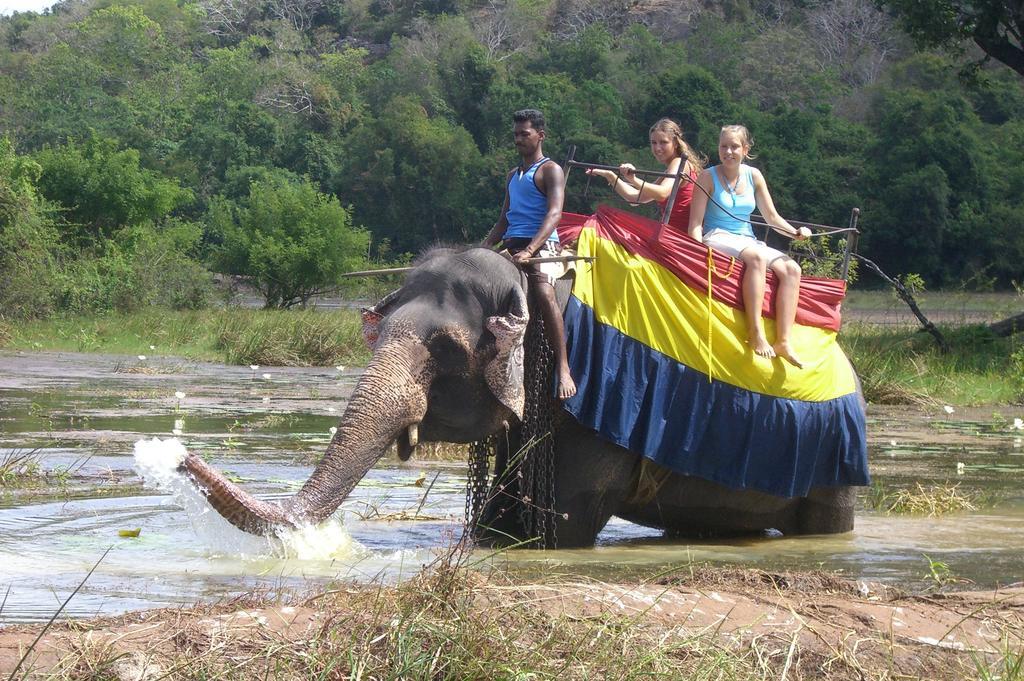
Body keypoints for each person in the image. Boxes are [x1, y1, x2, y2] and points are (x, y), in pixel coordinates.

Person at [688, 125, 812, 368]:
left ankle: (784, 341)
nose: (728, 151)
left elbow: (772, 218)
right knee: (756, 257)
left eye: (734, 146)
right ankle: (755, 333)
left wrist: (795, 233)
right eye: (723, 146)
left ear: (745, 149)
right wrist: (695, 254)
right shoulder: (707, 176)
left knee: (792, 269)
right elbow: (695, 224)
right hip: (717, 235)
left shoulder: (754, 175)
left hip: (746, 238)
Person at [482, 109, 577, 400]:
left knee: (544, 293)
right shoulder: (513, 175)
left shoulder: (550, 170)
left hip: (541, 246)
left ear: (540, 136)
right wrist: (482, 250)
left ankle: (563, 367)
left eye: (525, 134)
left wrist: (531, 250)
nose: (519, 139)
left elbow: (555, 214)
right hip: (512, 243)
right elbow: (503, 220)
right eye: (516, 135)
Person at [585, 118, 705, 235]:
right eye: (654, 143)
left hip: (678, 238)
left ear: (675, 143)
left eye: (663, 142)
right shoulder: (670, 170)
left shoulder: (679, 162)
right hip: (669, 234)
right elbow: (635, 199)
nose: (657, 148)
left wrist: (634, 179)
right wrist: (610, 176)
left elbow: (662, 194)